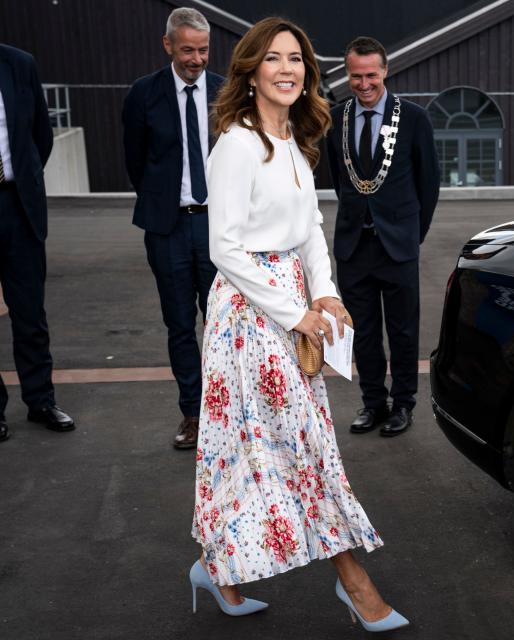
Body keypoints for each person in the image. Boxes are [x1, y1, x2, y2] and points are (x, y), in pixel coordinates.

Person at [189, 18, 408, 631]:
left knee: (270, 448)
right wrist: (296, 312)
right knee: (297, 447)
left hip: (293, 306)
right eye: (274, 58)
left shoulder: (294, 142)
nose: (287, 69)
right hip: (249, 315)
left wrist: (328, 294)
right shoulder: (235, 142)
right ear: (252, 70)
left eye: (297, 60)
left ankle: (218, 567)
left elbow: (311, 230)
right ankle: (355, 584)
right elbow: (225, 250)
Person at [325, 36, 440, 438]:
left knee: (404, 330)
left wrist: (411, 235)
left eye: (371, 74)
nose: (363, 83)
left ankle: (403, 404)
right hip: (354, 247)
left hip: (398, 246)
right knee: (364, 332)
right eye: (355, 76)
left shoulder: (412, 118)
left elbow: (429, 185)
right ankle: (373, 402)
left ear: (385, 71)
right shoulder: (336, 119)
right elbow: (342, 182)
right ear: (347, 74)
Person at [122, 8, 223, 450]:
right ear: (168, 46)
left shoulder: (228, 92)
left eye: (203, 50)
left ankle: (228, 415)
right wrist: (165, 201)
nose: (197, 59)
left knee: (222, 325)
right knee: (180, 325)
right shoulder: (143, 94)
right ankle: (193, 414)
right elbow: (134, 162)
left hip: (220, 229)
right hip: (167, 230)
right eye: (188, 50)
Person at [0, 44, 74, 442]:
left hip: (18, 204)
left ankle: (40, 400)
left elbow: (41, 136)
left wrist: (24, 179)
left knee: (29, 310)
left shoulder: (19, 64)